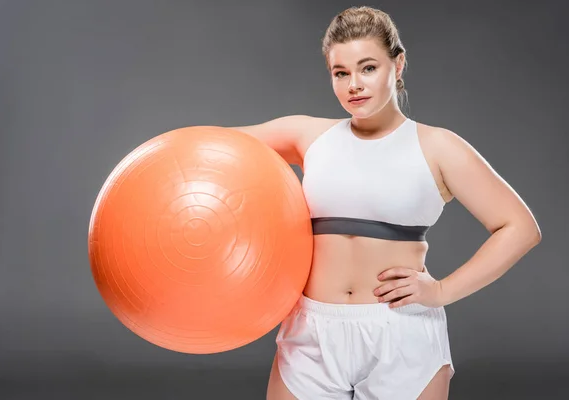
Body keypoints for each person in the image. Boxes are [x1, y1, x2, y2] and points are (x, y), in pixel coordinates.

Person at [231, 6, 541, 400]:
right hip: (312, 332)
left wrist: (442, 291)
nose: (353, 85)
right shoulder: (307, 135)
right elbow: (207, 147)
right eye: (340, 73)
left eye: (368, 68)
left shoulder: (437, 146)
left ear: (398, 64)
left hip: (402, 333)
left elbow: (520, 228)